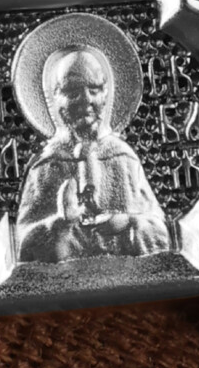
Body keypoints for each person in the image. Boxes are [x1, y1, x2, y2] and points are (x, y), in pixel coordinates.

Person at [15, 43, 172, 264]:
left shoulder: (123, 158)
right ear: (56, 99)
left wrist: (127, 223)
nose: (86, 100)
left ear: (106, 94)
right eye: (73, 92)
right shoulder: (46, 167)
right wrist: (60, 225)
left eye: (94, 89)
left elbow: (160, 234)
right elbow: (23, 245)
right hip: (65, 281)